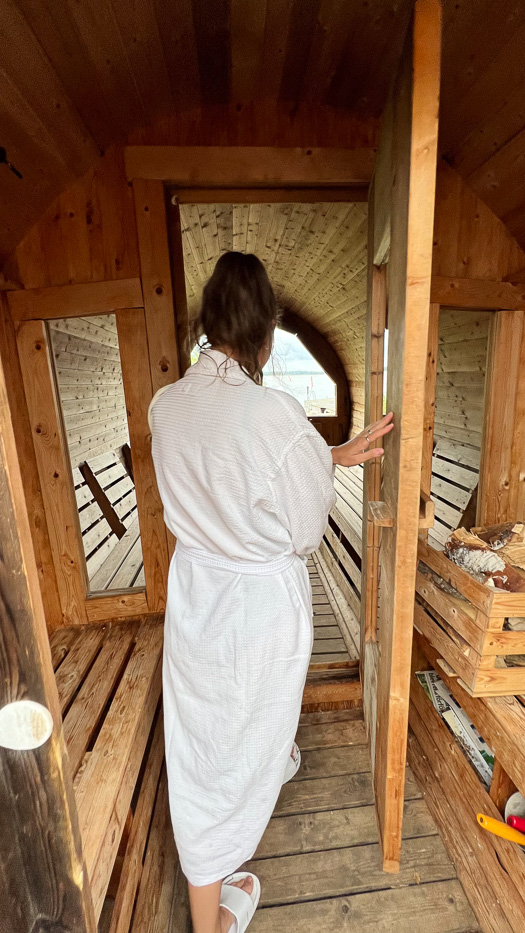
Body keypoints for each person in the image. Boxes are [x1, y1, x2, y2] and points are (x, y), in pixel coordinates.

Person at [148, 251, 393, 933]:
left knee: (202, 738)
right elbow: (305, 529)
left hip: (198, 598)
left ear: (206, 322)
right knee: (250, 719)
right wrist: (319, 463)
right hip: (257, 606)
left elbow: (229, 461)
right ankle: (222, 896)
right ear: (265, 333)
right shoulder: (275, 414)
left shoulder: (164, 407)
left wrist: (330, 454)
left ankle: (207, 911)